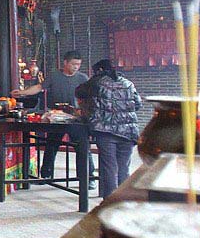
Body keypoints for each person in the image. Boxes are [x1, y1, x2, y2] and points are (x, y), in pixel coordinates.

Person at [11, 51, 93, 184]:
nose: (76, 67)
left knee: (82, 147)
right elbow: (39, 87)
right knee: (51, 145)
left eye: (78, 64)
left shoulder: (83, 78)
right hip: (56, 116)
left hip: (76, 117)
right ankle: (46, 175)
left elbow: (90, 96)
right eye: (73, 64)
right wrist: (22, 92)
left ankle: (87, 178)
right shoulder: (54, 76)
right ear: (65, 63)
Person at [77, 59, 142, 198]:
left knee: (109, 167)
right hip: (128, 131)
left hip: (105, 131)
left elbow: (79, 92)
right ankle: (123, 199)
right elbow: (137, 104)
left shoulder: (96, 82)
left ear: (99, 70)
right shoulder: (128, 84)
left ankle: (110, 200)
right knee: (123, 167)